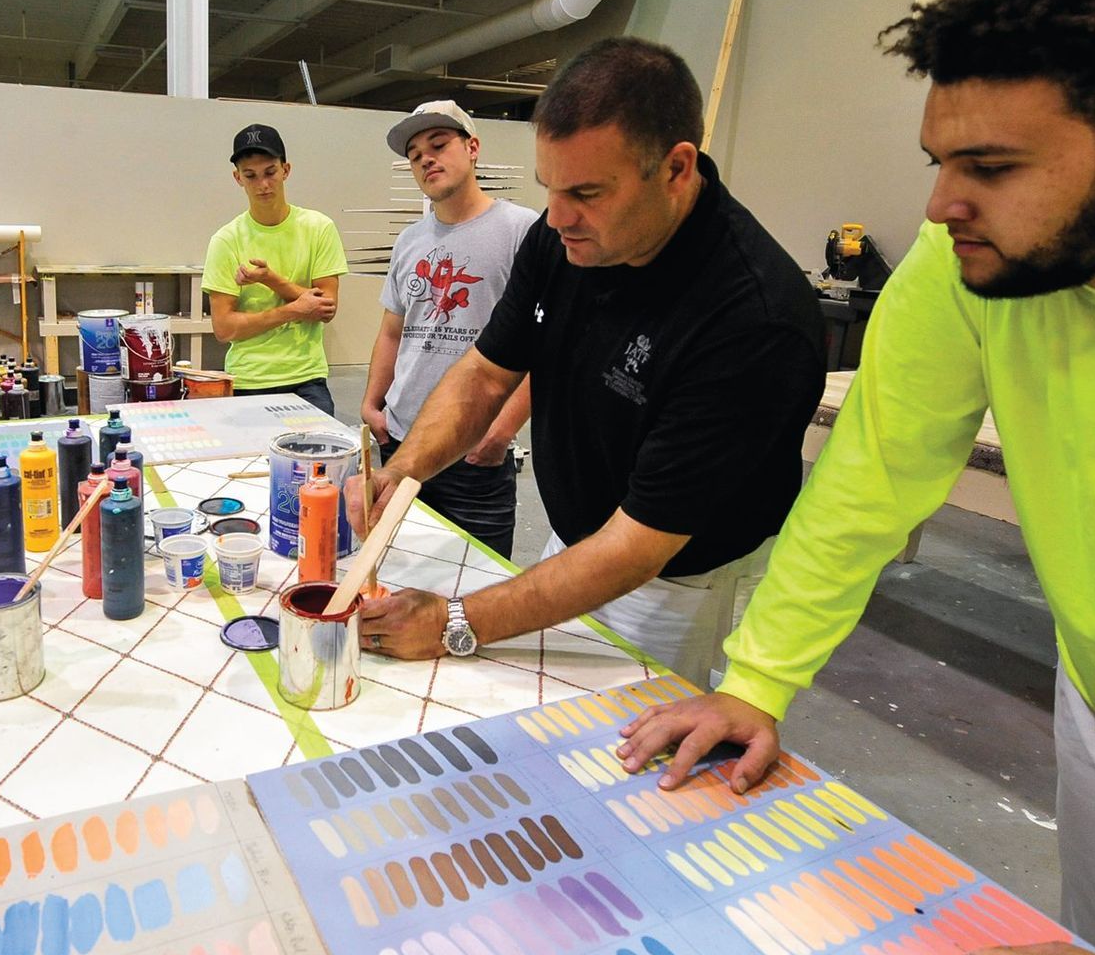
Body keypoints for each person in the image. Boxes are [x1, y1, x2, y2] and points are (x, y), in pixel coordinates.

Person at [618, 0, 1095, 955]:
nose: (937, 204)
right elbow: (872, 474)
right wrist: (755, 675)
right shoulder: (962, 260)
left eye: (991, 167)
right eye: (938, 161)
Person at [353, 39, 824, 687]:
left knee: (613, 745)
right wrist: (402, 472)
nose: (560, 217)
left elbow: (639, 546)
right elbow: (488, 372)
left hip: (675, 576)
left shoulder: (752, 319)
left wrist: (454, 619)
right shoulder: (562, 235)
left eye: (588, 192)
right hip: (577, 537)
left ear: (677, 169)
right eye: (551, 188)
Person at [364, 100, 536, 556]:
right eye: (415, 153)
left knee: (475, 581)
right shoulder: (410, 240)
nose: (426, 158)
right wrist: (372, 404)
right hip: (401, 440)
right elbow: (391, 331)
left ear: (473, 147)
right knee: (399, 570)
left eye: (438, 144)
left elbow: (551, 343)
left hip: (475, 447)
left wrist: (502, 429)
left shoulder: (524, 231)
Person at [202, 123, 348, 416]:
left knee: (316, 461)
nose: (262, 184)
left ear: (286, 170)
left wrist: (270, 279)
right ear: (237, 178)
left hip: (306, 379)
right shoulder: (225, 240)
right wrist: (293, 310)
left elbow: (325, 310)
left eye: (270, 172)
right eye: (250, 176)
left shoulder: (319, 228)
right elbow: (224, 328)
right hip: (247, 379)